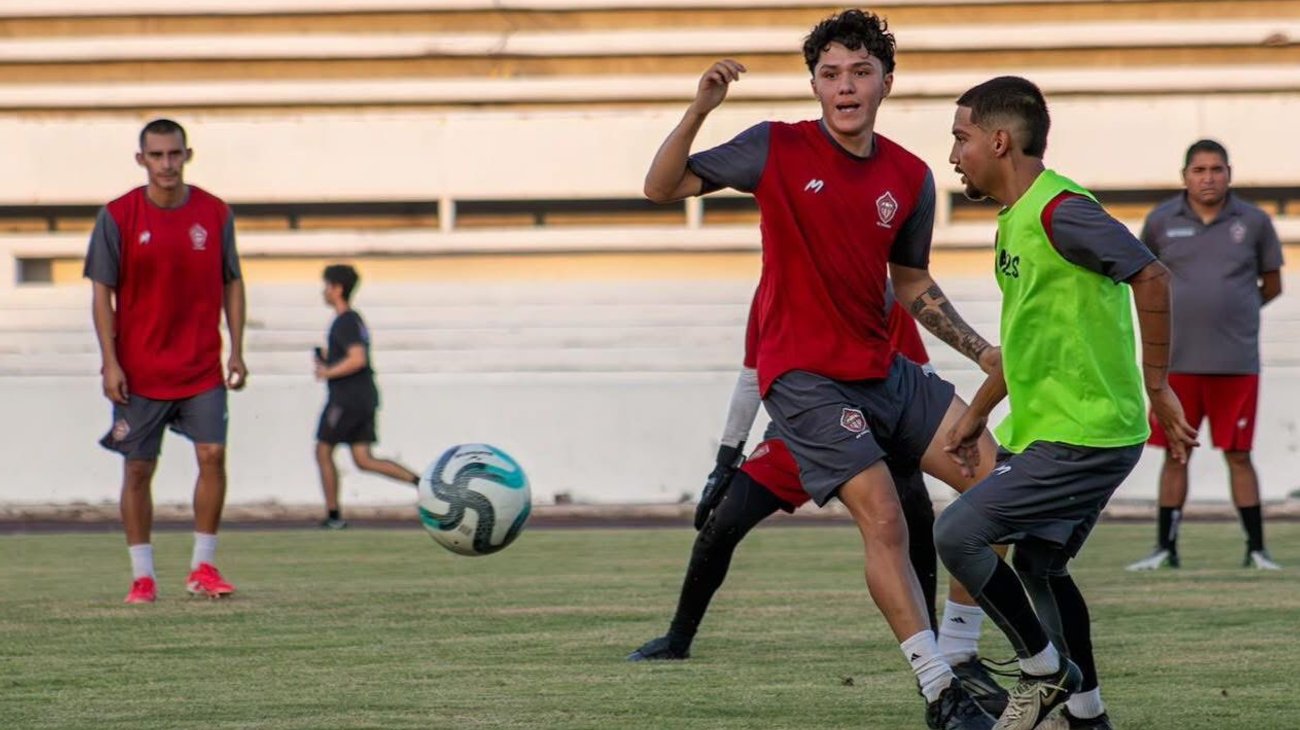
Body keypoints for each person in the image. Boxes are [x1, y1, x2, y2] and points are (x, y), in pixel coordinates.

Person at [644, 10, 1004, 729]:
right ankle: (939, 692)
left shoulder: (908, 175)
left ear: (886, 83)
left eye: (861, 72)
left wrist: (980, 350)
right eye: (832, 73)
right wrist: (699, 109)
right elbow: (660, 187)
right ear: (813, 83)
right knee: (885, 519)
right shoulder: (772, 147)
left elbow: (912, 283)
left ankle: (962, 655)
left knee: (995, 483)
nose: (846, 86)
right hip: (805, 380)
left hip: (884, 371)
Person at [935, 76, 1199, 730]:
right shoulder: (1016, 221)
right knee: (1040, 565)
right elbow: (1030, 339)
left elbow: (1152, 273)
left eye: (960, 138)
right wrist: (975, 415)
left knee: (958, 532)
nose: (953, 155)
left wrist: (1157, 383)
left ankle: (1045, 674)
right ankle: (1087, 715)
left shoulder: (1061, 210)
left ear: (999, 140)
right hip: (1056, 427)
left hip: (1086, 433)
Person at [628, 304, 1010, 718]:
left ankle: (938, 643)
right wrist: (727, 459)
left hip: (874, 435)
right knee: (725, 521)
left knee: (914, 521)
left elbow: (917, 370)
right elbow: (754, 374)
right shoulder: (776, 292)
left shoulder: (876, 288)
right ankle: (678, 637)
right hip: (797, 433)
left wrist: (913, 443)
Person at [85, 118, 248, 604]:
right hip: (140, 369)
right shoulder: (117, 216)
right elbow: (101, 294)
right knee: (138, 469)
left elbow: (232, 281)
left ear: (187, 155)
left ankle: (204, 566)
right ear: (142, 160)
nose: (166, 164)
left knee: (213, 456)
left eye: (174, 154)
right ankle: (143, 575)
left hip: (201, 365)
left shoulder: (215, 213)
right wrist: (109, 362)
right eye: (156, 156)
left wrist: (236, 348)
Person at [1126, 139, 1285, 572]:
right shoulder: (1160, 221)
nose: (1208, 177)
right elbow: (1143, 278)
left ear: (1229, 173)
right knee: (1176, 453)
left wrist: (1233, 308)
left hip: (1235, 363)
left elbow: (1272, 285)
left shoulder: (1253, 222)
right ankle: (1165, 549)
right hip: (1176, 364)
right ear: (1185, 176)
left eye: (1216, 169)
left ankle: (1256, 550)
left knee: (1238, 454)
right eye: (1199, 170)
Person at [314, 264, 420, 529]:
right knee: (363, 459)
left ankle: (334, 516)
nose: (324, 291)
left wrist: (327, 371)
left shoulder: (345, 321)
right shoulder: (354, 320)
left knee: (322, 450)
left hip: (346, 400)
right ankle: (423, 484)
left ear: (338, 289)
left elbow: (357, 359)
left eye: (327, 286)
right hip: (363, 397)